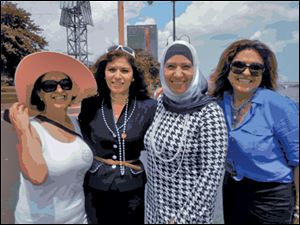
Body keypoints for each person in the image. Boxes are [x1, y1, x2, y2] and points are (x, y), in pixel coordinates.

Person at [209, 39, 299, 224]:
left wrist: (298, 211)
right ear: (227, 70)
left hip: (272, 197)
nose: (246, 72)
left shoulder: (279, 106)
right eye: (238, 66)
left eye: (255, 68)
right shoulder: (218, 104)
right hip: (234, 190)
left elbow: (298, 160)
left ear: (263, 73)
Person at [144, 40, 228, 224]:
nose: (178, 74)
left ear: (195, 70)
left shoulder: (209, 113)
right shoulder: (160, 106)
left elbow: (211, 175)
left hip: (190, 215)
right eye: (171, 66)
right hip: (155, 212)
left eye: (186, 67)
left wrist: (182, 219)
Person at [8, 51, 98, 224]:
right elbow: (37, 176)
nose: (59, 90)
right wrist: (22, 129)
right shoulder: (31, 128)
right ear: (40, 93)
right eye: (49, 85)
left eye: (65, 83)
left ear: (72, 90)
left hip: (78, 218)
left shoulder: (77, 123)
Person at [78, 45, 157, 224]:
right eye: (112, 70)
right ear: (104, 73)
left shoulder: (149, 107)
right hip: (95, 187)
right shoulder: (90, 105)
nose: (117, 76)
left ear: (133, 76)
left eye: (124, 70)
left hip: (133, 190)